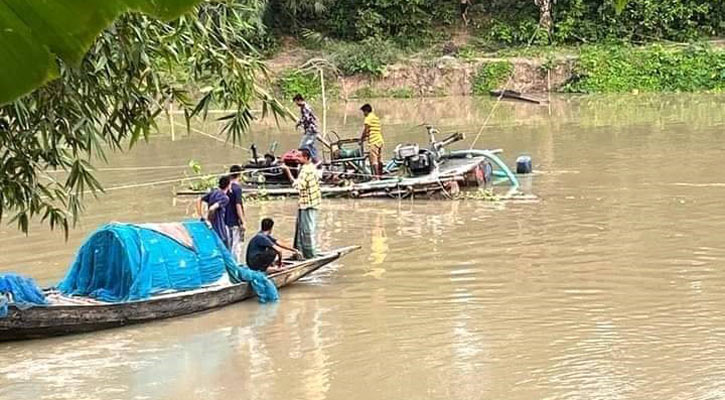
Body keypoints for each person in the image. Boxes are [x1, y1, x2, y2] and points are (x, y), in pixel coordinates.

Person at [282, 148, 321, 259]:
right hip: (305, 204)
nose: (296, 158)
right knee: (299, 231)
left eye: (299, 156)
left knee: (307, 231)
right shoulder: (308, 167)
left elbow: (298, 187)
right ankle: (298, 254)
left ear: (306, 157)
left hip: (308, 205)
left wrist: (288, 172)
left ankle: (310, 256)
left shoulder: (306, 170)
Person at [196, 176, 231, 248]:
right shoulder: (225, 198)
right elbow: (212, 208)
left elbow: (199, 199)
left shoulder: (213, 192)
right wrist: (208, 219)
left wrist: (201, 216)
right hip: (219, 229)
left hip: (209, 230)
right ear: (228, 185)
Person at [225, 165, 246, 262]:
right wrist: (243, 221)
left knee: (227, 244)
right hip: (234, 221)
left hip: (224, 221)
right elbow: (238, 205)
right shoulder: (237, 188)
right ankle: (235, 266)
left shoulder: (225, 187)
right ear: (239, 175)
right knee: (236, 246)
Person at [360, 104, 384, 179]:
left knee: (374, 161)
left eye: (364, 112)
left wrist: (361, 139)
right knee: (380, 160)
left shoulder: (368, 118)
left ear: (366, 111)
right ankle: (381, 176)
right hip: (380, 140)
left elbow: (366, 130)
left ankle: (376, 178)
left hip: (373, 141)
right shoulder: (376, 118)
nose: (363, 114)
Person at [293, 94, 320, 162]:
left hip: (311, 130)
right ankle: (315, 159)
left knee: (303, 146)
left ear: (299, 100)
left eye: (296, 102)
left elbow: (306, 118)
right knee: (311, 146)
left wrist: (299, 123)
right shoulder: (303, 107)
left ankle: (312, 160)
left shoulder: (305, 107)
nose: (296, 104)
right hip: (311, 129)